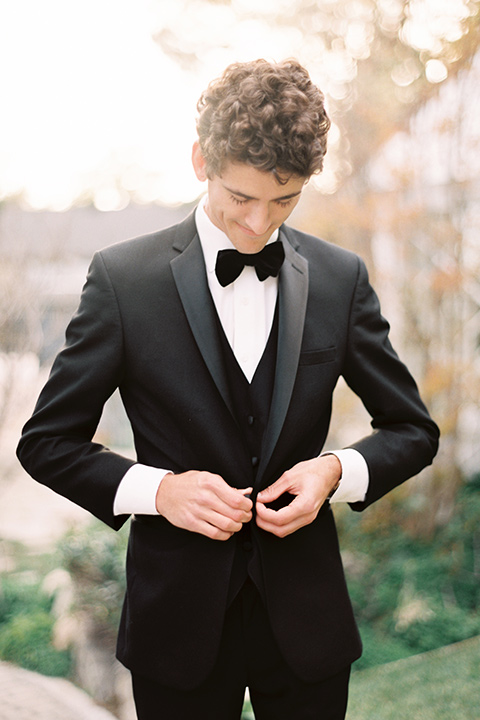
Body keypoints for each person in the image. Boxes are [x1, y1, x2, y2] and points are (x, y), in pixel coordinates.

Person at [17, 59, 439, 719]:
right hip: (175, 629)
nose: (258, 224)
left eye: (286, 200)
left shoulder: (339, 277)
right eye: (241, 198)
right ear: (199, 160)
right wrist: (158, 490)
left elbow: (413, 430)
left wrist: (335, 471)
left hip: (308, 629)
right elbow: (45, 443)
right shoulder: (123, 279)